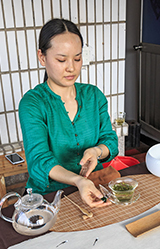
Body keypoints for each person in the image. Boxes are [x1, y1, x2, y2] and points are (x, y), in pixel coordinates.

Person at [19, 18, 118, 208]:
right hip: (50, 194)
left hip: (94, 185)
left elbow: (110, 140)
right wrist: (78, 181)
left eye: (78, 58)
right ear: (42, 57)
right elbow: (39, 160)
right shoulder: (33, 103)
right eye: (61, 60)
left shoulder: (93, 96)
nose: (71, 67)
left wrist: (96, 151)